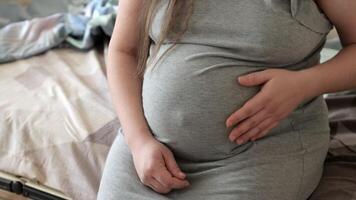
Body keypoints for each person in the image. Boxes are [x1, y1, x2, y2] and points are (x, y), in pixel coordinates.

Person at [97, 0, 356, 199]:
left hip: (259, 156)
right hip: (148, 151)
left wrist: (304, 84)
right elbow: (124, 50)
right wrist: (138, 141)